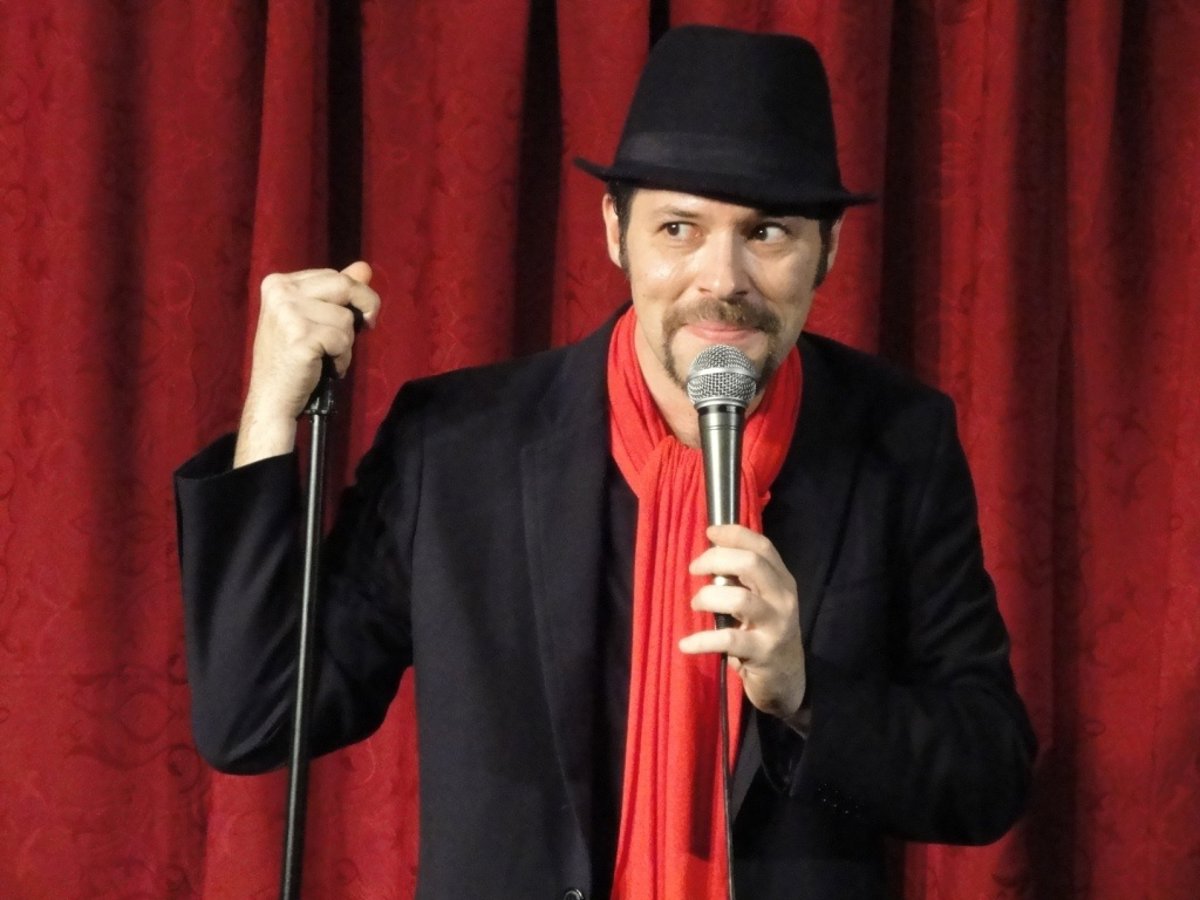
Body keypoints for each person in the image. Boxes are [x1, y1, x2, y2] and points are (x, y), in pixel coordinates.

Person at [175, 24, 1035, 900]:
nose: (722, 278)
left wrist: (805, 693)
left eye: (768, 231)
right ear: (616, 233)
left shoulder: (898, 441)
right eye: (678, 228)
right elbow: (255, 717)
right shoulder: (456, 445)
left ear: (829, 250)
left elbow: (990, 774)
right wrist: (269, 410)